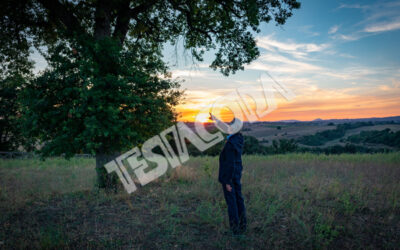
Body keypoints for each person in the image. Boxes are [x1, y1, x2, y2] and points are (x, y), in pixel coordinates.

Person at [209, 113, 247, 235]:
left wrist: (227, 181)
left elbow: (229, 164)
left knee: (232, 202)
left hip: (230, 176)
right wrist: (216, 120)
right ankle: (242, 225)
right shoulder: (238, 138)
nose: (229, 126)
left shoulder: (230, 144)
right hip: (236, 174)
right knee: (239, 199)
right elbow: (226, 128)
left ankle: (235, 230)